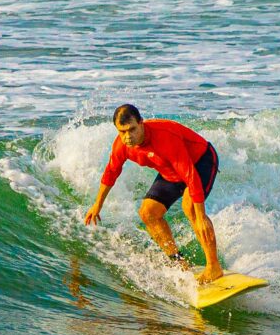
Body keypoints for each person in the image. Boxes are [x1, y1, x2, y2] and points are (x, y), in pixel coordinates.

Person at [84, 104, 226, 284]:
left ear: (141, 123)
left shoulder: (165, 137)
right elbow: (111, 172)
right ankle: (179, 264)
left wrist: (201, 215)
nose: (128, 137)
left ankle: (214, 267)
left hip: (200, 160)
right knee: (147, 213)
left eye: (132, 129)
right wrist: (98, 204)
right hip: (170, 170)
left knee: (190, 207)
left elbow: (190, 174)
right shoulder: (122, 145)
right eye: (122, 132)